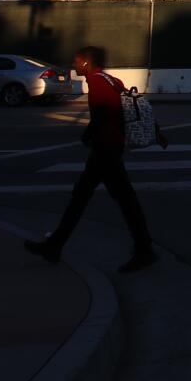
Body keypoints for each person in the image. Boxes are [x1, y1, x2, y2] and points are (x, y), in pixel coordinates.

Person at [25, 46, 165, 273]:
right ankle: (55, 246)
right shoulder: (110, 80)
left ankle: (144, 250)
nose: (74, 65)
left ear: (87, 63)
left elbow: (104, 115)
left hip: (105, 152)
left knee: (108, 200)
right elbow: (129, 106)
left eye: (77, 61)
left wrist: (90, 135)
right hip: (109, 150)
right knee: (93, 198)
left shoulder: (97, 84)